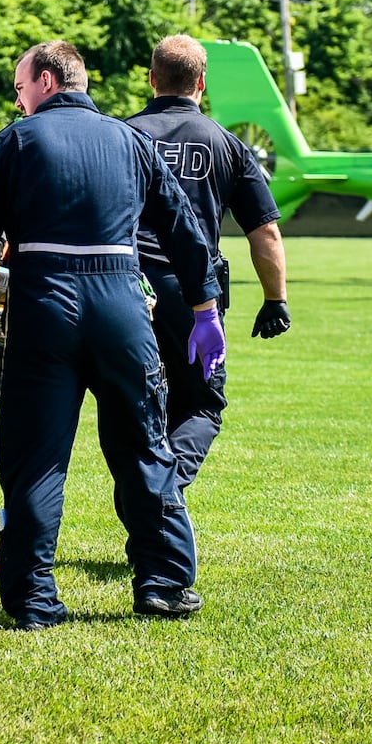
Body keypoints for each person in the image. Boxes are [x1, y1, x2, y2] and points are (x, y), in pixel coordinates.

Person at [0, 40, 225, 630]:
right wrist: (205, 309)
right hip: (122, 302)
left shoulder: (19, 141)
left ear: (46, 81)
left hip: (46, 302)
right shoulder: (130, 141)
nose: (18, 101)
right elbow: (185, 227)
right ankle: (165, 585)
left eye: (20, 88)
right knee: (144, 447)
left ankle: (33, 599)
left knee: (35, 458)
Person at [125, 34, 290, 492]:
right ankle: (164, 497)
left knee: (139, 406)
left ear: (152, 78)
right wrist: (275, 299)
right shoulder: (228, 144)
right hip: (194, 297)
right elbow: (265, 231)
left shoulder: (123, 134)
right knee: (200, 405)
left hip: (126, 289)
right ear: (201, 82)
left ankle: (151, 498)